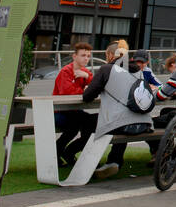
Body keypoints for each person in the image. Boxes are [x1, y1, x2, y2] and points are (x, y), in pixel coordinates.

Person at [83, 41, 155, 180]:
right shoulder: (138, 72)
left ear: (110, 55)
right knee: (123, 119)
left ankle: (91, 163)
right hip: (143, 124)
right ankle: (114, 160)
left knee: (87, 122)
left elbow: (87, 97)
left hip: (123, 124)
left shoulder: (106, 69)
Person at [52, 42, 95, 168]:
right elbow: (67, 93)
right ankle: (60, 154)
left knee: (90, 124)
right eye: (83, 55)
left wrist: (87, 76)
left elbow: (96, 86)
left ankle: (69, 152)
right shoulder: (65, 72)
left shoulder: (85, 72)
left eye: (88, 56)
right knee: (78, 125)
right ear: (74, 56)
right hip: (60, 112)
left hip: (74, 111)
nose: (86, 58)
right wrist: (85, 90)